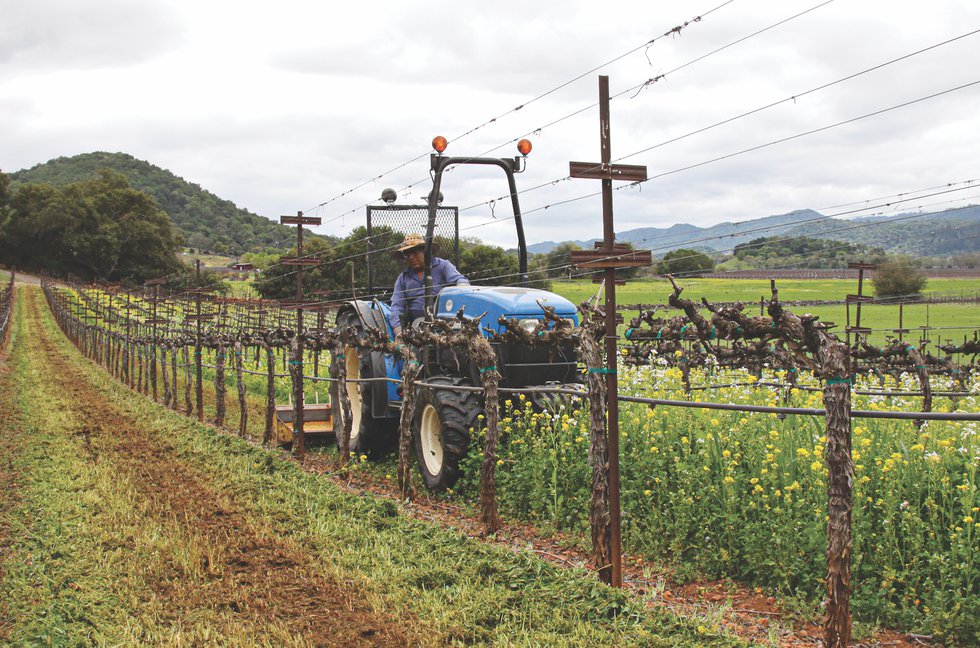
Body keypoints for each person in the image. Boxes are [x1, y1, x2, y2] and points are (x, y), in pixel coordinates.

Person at [389, 233, 468, 337]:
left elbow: (461, 281)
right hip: (417, 327)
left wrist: (461, 290)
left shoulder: (443, 266)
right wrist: (399, 332)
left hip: (445, 325)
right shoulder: (403, 278)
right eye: (407, 254)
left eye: (414, 252)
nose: (411, 257)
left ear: (426, 252)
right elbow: (396, 306)